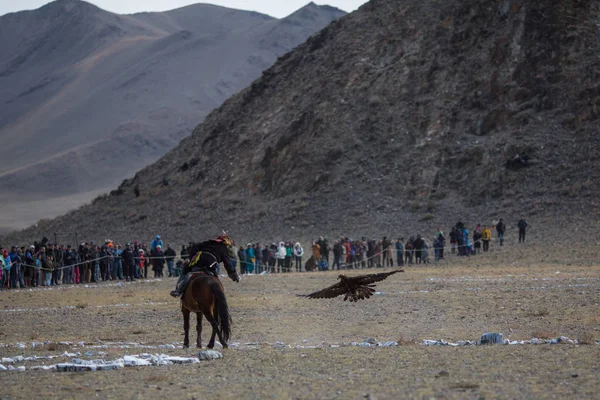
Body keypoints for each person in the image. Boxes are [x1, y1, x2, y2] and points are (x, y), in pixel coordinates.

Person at [170, 234, 240, 298]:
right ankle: (219, 297)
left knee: (188, 271)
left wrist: (190, 258)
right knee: (215, 280)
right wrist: (234, 276)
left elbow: (195, 246)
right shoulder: (224, 249)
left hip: (199, 261)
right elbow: (228, 264)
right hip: (210, 265)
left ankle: (178, 290)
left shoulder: (209, 242)